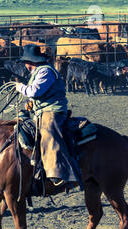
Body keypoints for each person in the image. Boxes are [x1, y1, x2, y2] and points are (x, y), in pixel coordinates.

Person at [15, 44, 80, 187]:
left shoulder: (46, 71)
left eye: (26, 62)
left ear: (30, 62)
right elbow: (37, 95)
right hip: (42, 110)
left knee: (49, 132)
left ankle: (58, 173)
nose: (25, 65)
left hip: (53, 111)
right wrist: (31, 103)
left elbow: (34, 91)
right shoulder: (39, 72)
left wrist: (19, 87)